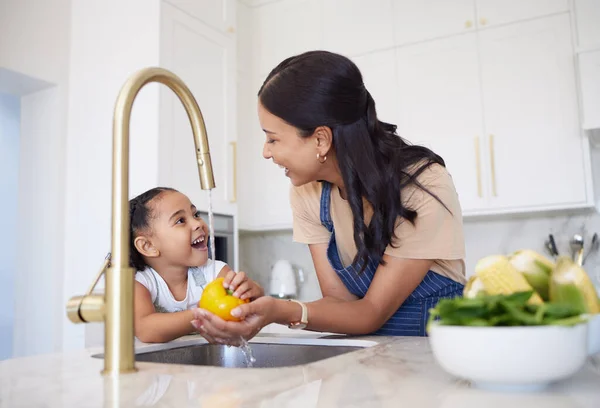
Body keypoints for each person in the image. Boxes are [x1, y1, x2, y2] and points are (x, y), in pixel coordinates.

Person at [191, 50, 466, 345]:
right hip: (365, 358)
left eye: (272, 138)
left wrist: (279, 311)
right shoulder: (307, 192)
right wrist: (264, 306)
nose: (266, 152)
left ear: (321, 140)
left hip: (434, 361)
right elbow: (340, 304)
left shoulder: (423, 185)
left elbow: (369, 313)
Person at [130, 187, 264, 343]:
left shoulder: (213, 271)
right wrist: (205, 313)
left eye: (195, 214)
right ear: (148, 246)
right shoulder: (140, 282)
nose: (198, 224)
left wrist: (254, 292)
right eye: (180, 220)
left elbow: (250, 308)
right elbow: (146, 330)